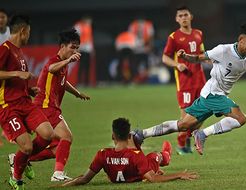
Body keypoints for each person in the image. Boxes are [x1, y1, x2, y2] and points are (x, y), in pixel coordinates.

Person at [132, 22, 246, 156]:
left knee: (183, 125)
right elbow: (198, 58)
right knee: (241, 118)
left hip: (211, 94)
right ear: (240, 39)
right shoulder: (223, 50)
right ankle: (202, 134)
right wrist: (184, 56)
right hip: (212, 94)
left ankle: (142, 134)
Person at [0, 15, 54, 190]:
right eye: (28, 33)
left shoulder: (20, 52)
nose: (29, 37)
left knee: (47, 134)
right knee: (27, 146)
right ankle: (15, 178)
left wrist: (28, 90)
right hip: (8, 106)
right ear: (23, 31)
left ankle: (21, 159)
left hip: (25, 102)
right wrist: (17, 74)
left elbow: (17, 81)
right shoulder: (5, 49)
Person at [61, 118, 198, 186]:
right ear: (128, 136)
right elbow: (153, 179)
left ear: (113, 136)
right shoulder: (136, 156)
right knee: (156, 155)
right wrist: (179, 174)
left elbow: (84, 179)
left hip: (119, 174)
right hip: (142, 171)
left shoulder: (102, 154)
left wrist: (63, 185)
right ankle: (166, 154)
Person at [31, 28, 90, 181]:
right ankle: (57, 174)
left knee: (57, 149)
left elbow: (63, 82)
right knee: (67, 137)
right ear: (62, 46)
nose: (75, 50)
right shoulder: (55, 61)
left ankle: (20, 158)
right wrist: (68, 60)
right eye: (72, 47)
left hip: (49, 107)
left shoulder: (63, 64)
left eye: (77, 47)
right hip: (45, 106)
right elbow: (51, 69)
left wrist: (77, 93)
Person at [162, 5, 207, 155]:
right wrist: (177, 64)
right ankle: (182, 144)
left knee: (201, 116)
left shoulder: (198, 33)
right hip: (185, 82)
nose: (183, 18)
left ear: (191, 16)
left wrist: (211, 60)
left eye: (185, 15)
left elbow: (201, 53)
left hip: (200, 81)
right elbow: (165, 57)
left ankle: (190, 140)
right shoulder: (174, 37)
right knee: (186, 119)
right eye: (180, 16)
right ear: (176, 19)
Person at [0, 9, 10, 146]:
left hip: (8, 73)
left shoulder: (10, 32)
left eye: (2, 17)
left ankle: (6, 131)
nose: (0, 20)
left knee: (7, 103)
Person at [74, 16, 94, 86]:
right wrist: (77, 47)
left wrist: (92, 49)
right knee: (81, 65)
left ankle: (86, 83)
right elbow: (76, 36)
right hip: (81, 48)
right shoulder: (78, 25)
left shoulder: (88, 26)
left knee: (87, 66)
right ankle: (79, 82)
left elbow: (90, 38)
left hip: (88, 48)